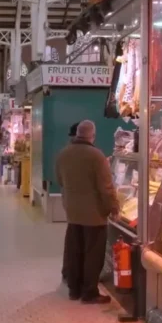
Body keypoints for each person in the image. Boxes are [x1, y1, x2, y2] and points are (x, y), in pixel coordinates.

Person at [54, 120, 118, 304]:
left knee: (74, 250)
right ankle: (89, 292)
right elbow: (106, 188)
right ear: (92, 136)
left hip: (72, 211)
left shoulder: (63, 154)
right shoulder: (96, 156)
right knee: (93, 253)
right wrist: (113, 208)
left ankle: (74, 289)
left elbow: (60, 180)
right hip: (94, 214)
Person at [61, 122, 80, 283]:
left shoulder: (65, 152)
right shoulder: (90, 154)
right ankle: (76, 277)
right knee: (80, 242)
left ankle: (68, 271)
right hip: (86, 208)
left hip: (69, 201)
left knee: (72, 237)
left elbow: (59, 178)